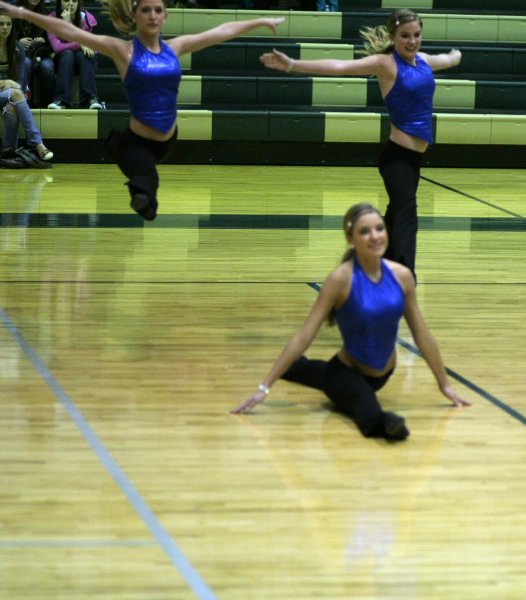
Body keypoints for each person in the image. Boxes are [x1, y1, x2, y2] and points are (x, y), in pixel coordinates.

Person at [0, 0, 282, 218]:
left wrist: (260, 20)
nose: (152, 15)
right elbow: (69, 31)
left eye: (158, 10)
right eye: (145, 9)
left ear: (165, 16)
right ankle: (143, 197)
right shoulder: (123, 50)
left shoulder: (175, 47)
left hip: (168, 140)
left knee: (146, 183)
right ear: (135, 16)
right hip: (136, 142)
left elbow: (221, 31)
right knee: (147, 186)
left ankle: (142, 193)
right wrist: (23, 13)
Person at [231, 202, 470, 440]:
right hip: (346, 371)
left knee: (318, 375)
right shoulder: (340, 279)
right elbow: (305, 335)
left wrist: (445, 384)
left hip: (383, 374)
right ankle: (385, 425)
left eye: (379, 228)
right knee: (360, 400)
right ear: (350, 238)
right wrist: (263, 389)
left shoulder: (402, 276)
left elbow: (422, 334)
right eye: (364, 231)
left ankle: (294, 368)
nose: (375, 236)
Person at [259, 9, 462, 278]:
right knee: (407, 213)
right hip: (397, 157)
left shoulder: (422, 61)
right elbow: (340, 67)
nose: (412, 41)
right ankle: (404, 275)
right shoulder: (385, 64)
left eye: (416, 35)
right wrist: (293, 65)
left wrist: (454, 56)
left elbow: (445, 60)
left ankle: (369, 264)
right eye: (404, 36)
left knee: (395, 212)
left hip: (414, 159)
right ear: (393, 36)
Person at [1, 14, 53, 166]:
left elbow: (21, 82)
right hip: (10, 91)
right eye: (1, 24)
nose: (5, 28)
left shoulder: (17, 48)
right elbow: (15, 86)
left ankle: (7, 150)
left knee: (12, 108)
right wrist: (6, 81)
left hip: (10, 95)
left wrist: (12, 86)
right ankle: (37, 143)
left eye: (8, 24)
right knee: (16, 94)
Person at [45, 0, 103, 110]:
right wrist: (80, 43)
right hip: (63, 61)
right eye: (66, 0)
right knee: (68, 54)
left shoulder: (86, 18)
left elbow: (89, 46)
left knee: (83, 54)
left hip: (85, 61)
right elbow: (57, 47)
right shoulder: (51, 19)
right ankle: (61, 100)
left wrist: (68, 23)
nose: (71, 4)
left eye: (74, 1)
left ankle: (90, 99)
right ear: (59, 2)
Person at [16, 0, 54, 107]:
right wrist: (19, 41)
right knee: (26, 63)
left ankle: (48, 103)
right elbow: (8, 35)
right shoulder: (15, 11)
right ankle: (23, 102)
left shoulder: (47, 13)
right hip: (21, 54)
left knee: (47, 66)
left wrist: (45, 40)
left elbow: (55, 40)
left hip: (42, 53)